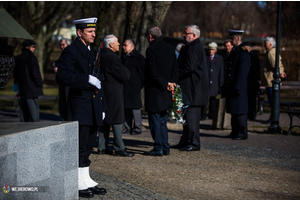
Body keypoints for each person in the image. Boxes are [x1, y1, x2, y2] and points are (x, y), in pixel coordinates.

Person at [56, 17, 107, 198]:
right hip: (79, 107)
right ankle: (76, 183)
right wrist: (85, 80)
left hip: (92, 106)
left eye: (94, 31)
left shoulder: (90, 50)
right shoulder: (71, 51)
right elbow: (62, 76)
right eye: (90, 32)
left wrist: (102, 106)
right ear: (79, 33)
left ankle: (85, 180)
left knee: (88, 146)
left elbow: (99, 80)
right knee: (79, 147)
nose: (94, 34)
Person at [173, 25, 209, 151]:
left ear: (194, 35)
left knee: (192, 117)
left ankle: (194, 143)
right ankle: (185, 140)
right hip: (190, 88)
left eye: (186, 33)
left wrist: (176, 75)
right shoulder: (190, 47)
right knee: (187, 117)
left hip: (193, 90)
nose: (184, 35)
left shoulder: (195, 47)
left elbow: (190, 67)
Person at [97, 34, 134, 157]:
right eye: (117, 42)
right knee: (117, 119)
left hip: (102, 90)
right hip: (113, 92)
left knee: (104, 119)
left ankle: (102, 146)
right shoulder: (113, 58)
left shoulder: (100, 56)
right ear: (111, 45)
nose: (119, 44)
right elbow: (125, 75)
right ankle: (119, 147)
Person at [143, 26, 178, 156]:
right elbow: (175, 67)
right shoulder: (169, 48)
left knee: (155, 120)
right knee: (162, 120)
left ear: (150, 36)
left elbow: (153, 72)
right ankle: (165, 146)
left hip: (156, 90)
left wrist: (165, 83)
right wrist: (172, 83)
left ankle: (158, 147)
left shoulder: (151, 49)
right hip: (166, 90)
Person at [224, 30, 250, 140]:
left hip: (239, 85)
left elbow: (242, 71)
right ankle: (235, 131)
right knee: (234, 110)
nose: (230, 40)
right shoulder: (235, 51)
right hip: (232, 85)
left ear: (238, 38)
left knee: (240, 110)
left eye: (232, 38)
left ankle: (242, 132)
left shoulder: (243, 52)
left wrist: (238, 86)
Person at [13, 39, 43, 122]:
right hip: (32, 88)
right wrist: (39, 83)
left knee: (24, 111)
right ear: (28, 47)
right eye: (33, 47)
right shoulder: (32, 58)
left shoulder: (18, 58)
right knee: (34, 112)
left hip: (22, 89)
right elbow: (35, 73)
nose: (34, 49)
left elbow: (15, 74)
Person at [121, 39, 145, 135]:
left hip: (134, 86)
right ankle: (127, 127)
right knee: (126, 107)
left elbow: (143, 73)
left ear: (132, 46)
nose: (123, 47)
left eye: (125, 45)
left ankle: (137, 127)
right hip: (126, 86)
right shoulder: (124, 57)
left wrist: (139, 85)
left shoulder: (138, 58)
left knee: (135, 107)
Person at [261, 37, 286, 123]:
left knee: (272, 101)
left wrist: (280, 72)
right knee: (273, 101)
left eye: (266, 43)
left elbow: (275, 65)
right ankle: (273, 118)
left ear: (271, 44)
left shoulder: (271, 53)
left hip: (271, 81)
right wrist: (281, 72)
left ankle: (274, 119)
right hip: (271, 81)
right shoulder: (272, 52)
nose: (264, 45)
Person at [201, 42, 224, 120]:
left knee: (213, 100)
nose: (211, 51)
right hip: (206, 82)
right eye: (210, 49)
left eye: (212, 49)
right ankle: (203, 114)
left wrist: (220, 83)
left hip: (214, 82)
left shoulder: (219, 59)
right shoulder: (205, 57)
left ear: (216, 50)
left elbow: (221, 71)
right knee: (204, 100)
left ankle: (211, 114)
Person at [53, 38, 71, 120]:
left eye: (63, 45)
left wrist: (59, 69)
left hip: (68, 84)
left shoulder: (70, 54)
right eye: (61, 45)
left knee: (67, 103)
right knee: (62, 104)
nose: (61, 47)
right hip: (62, 84)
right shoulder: (63, 55)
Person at [244, 41, 261, 121]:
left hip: (252, 81)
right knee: (247, 99)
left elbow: (257, 70)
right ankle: (248, 114)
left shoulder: (253, 57)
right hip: (247, 81)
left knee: (252, 99)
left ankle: (252, 114)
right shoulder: (245, 55)